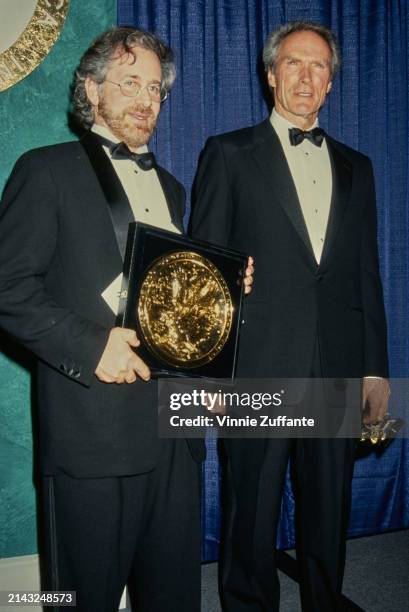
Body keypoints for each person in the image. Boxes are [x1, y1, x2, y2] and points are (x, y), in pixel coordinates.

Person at [0, 26, 255, 612]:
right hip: (90, 438)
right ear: (92, 90)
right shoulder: (45, 169)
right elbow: (7, 287)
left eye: (156, 89)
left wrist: (217, 290)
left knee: (172, 599)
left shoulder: (171, 186)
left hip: (173, 436)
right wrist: (92, 347)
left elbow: (165, 301)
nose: (146, 100)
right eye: (129, 83)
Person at [191, 20, 390, 612]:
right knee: (249, 508)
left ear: (331, 83)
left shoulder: (360, 167)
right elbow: (205, 276)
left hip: (336, 363)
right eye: (295, 64)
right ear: (271, 72)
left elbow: (366, 276)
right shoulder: (228, 153)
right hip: (257, 366)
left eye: (320, 66)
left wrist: (375, 370)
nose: (307, 77)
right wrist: (214, 372)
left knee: (329, 506)